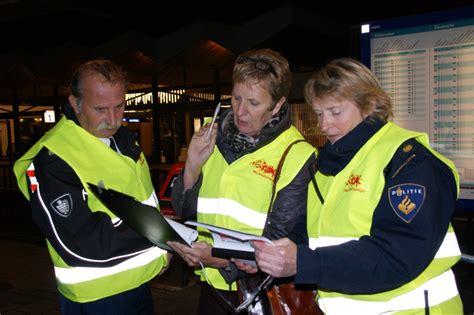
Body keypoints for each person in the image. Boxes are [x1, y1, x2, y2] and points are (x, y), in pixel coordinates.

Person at [252, 58, 463, 314]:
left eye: (335, 112)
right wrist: (271, 256)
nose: (323, 125)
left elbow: (396, 255)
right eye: (319, 113)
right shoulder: (327, 165)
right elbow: (311, 234)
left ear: (370, 104)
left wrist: (305, 262)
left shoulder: (410, 162)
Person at [13, 59, 170, 314]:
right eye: (100, 109)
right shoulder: (54, 158)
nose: (112, 119)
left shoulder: (122, 141)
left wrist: (161, 247)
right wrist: (163, 238)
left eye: (119, 106)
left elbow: (141, 205)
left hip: (139, 283)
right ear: (75, 104)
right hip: (97, 297)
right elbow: (81, 242)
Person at [168, 48, 317, 314]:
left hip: (260, 292)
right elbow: (185, 211)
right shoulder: (212, 139)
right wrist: (192, 164)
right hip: (210, 286)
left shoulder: (297, 154)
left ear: (278, 105)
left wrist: (218, 260)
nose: (240, 111)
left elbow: (280, 239)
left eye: (254, 103)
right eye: (236, 98)